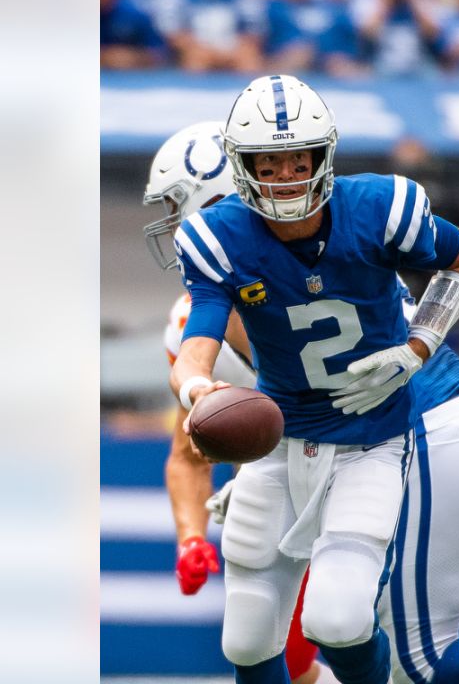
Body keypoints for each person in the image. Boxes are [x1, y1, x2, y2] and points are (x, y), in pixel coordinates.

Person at [169, 77, 459, 684]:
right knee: (246, 635)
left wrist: (417, 346)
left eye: (298, 160)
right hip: (284, 441)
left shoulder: (376, 208)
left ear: (323, 157)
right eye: (269, 162)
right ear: (243, 164)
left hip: (375, 437)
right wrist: (199, 392)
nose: (287, 175)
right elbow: (197, 344)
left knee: (344, 622)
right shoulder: (218, 238)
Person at [144, 121, 333, 684]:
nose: (175, 229)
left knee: (403, 646)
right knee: (287, 661)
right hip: (293, 502)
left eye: (181, 211)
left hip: (376, 467)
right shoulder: (189, 326)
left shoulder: (328, 267)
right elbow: (187, 452)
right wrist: (191, 537)